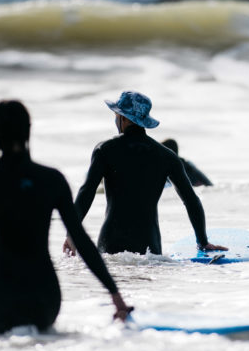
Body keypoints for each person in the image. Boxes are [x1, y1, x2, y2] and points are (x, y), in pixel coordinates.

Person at [0, 100, 132, 336]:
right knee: (41, 344)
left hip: (0, 295)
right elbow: (81, 240)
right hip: (44, 295)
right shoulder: (51, 179)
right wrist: (115, 295)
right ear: (27, 130)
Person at [63, 91, 227, 256]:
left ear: (123, 118)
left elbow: (87, 192)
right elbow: (191, 201)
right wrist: (203, 242)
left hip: (111, 244)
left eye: (116, 116)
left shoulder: (105, 149)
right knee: (147, 271)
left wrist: (71, 234)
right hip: (150, 247)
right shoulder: (167, 156)